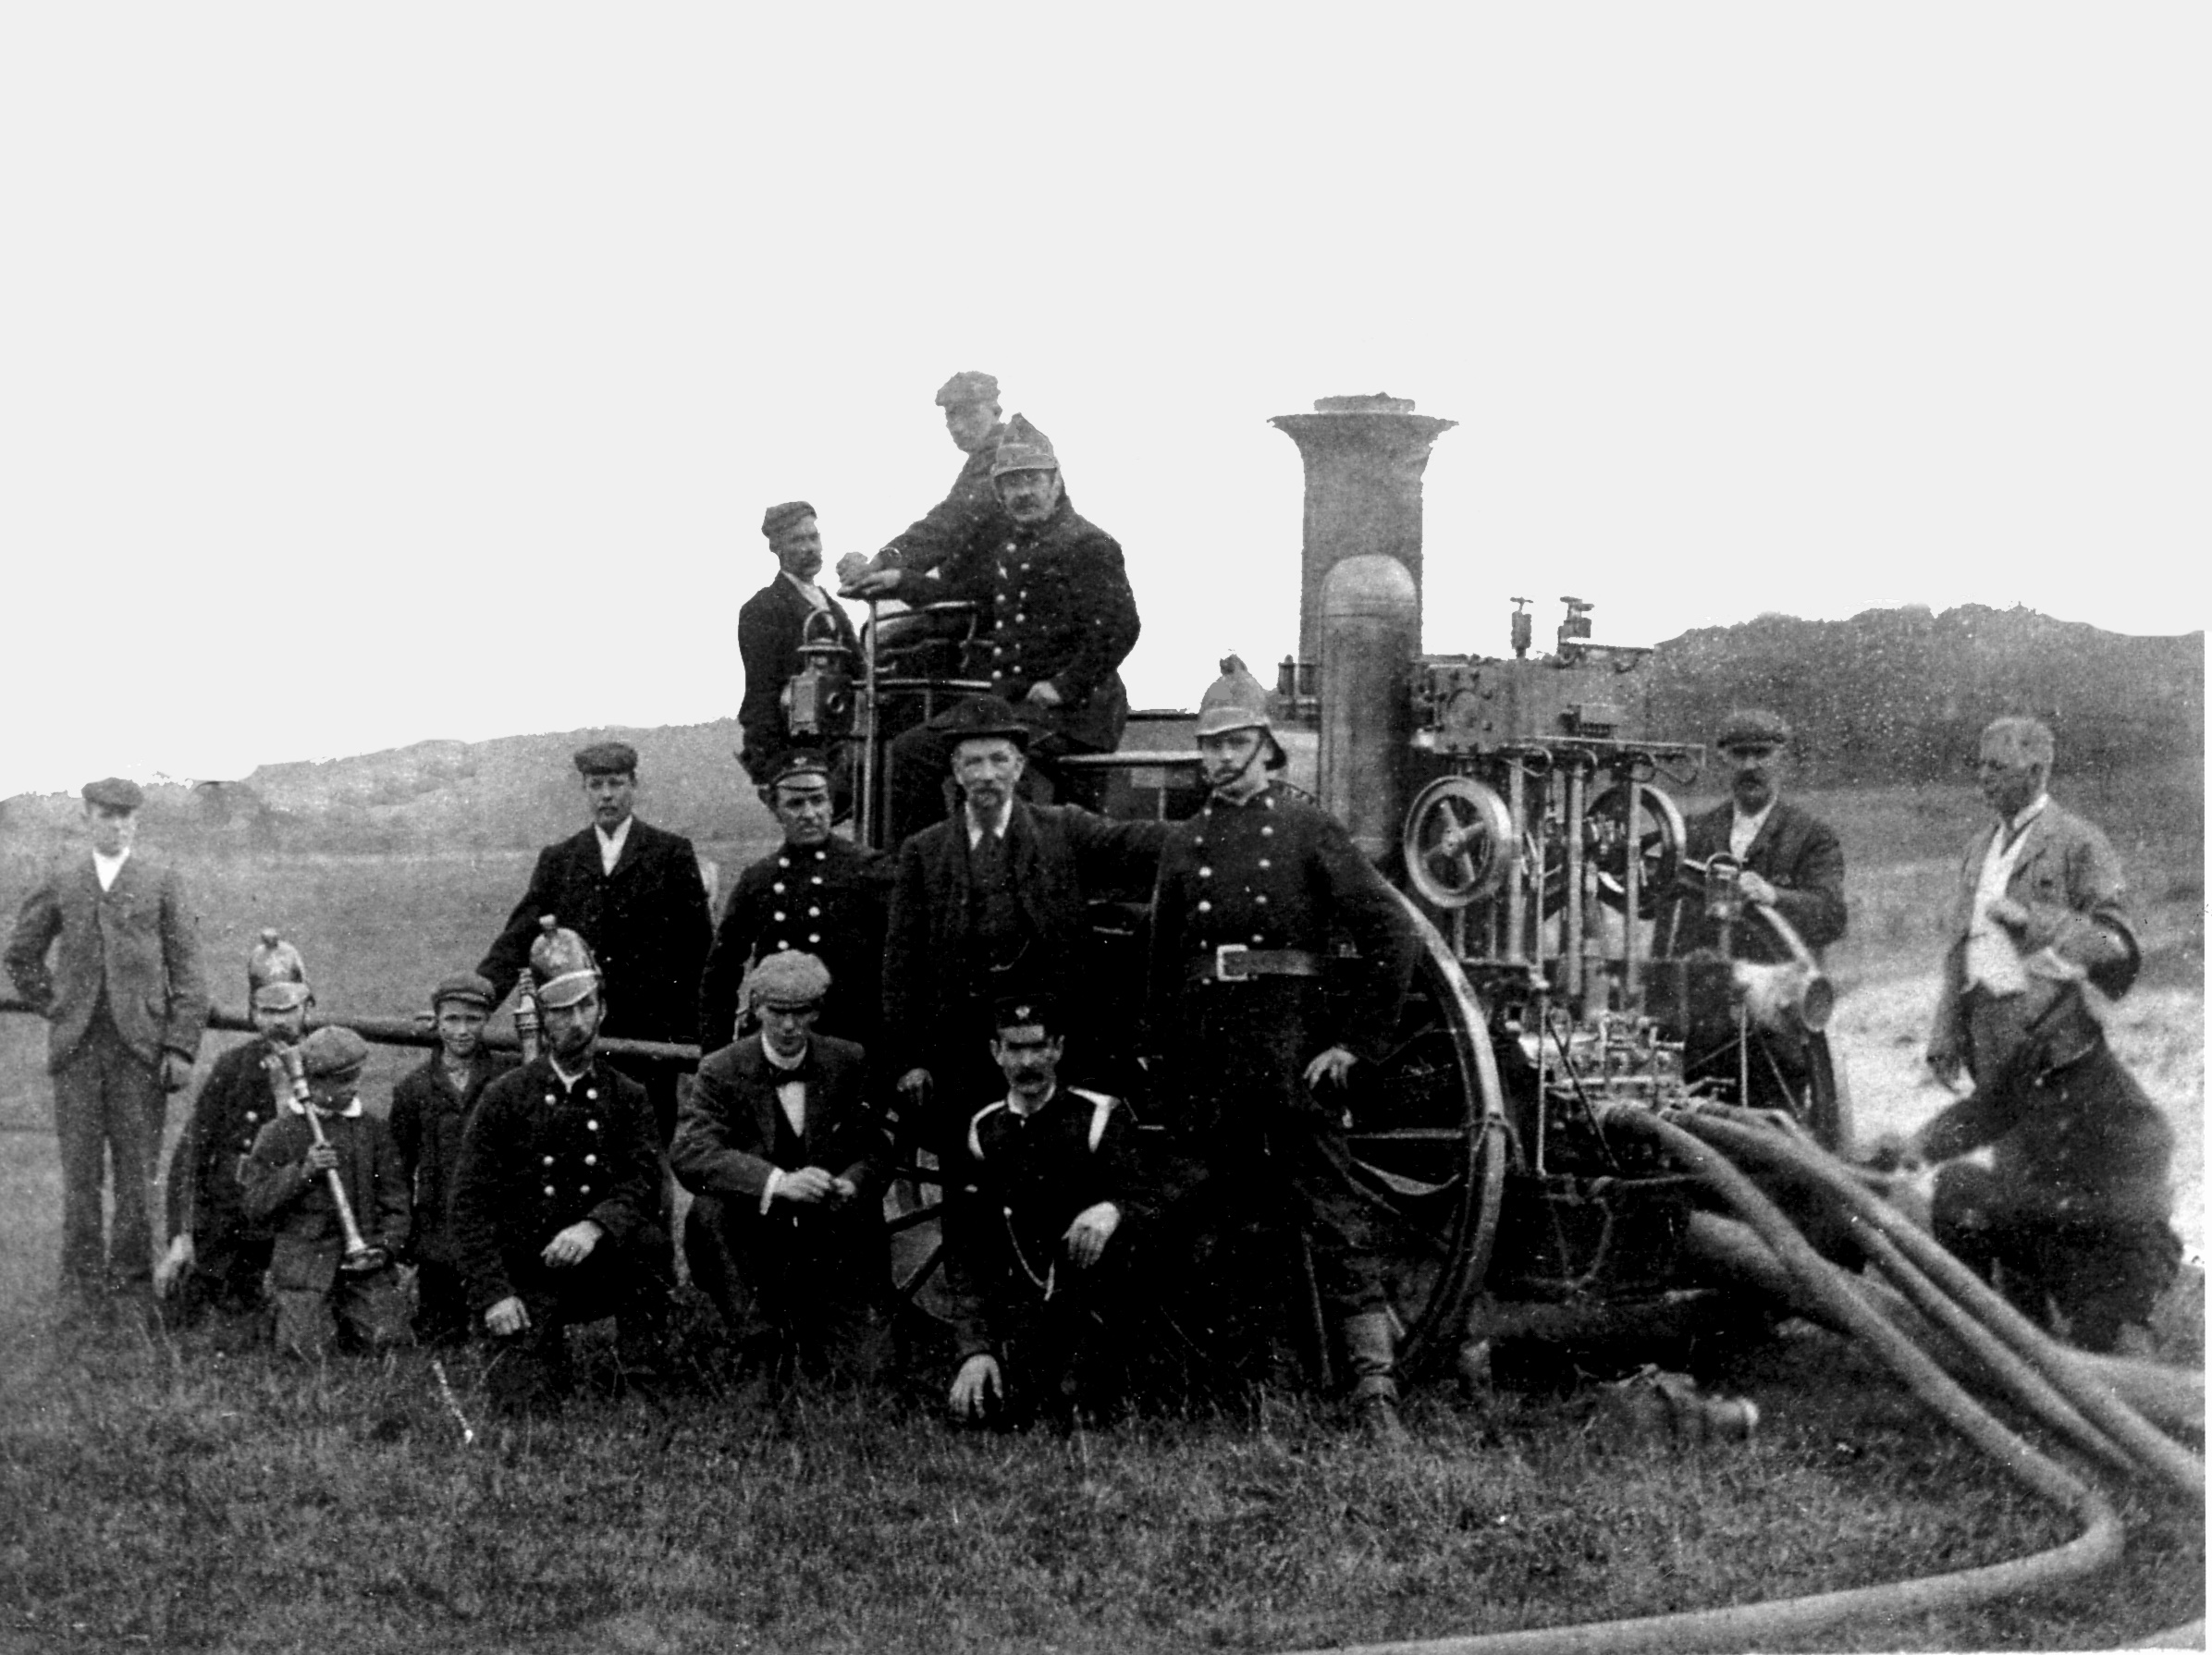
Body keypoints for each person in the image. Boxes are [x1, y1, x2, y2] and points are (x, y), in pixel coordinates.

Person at [1144, 668, 1418, 1440]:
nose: (1223, 759)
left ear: (1267, 749)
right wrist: (1169, 1065)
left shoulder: (1307, 831)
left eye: (1236, 744)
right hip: (1213, 1061)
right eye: (1211, 747)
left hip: (1292, 1055)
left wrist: (1354, 1044)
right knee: (1232, 1225)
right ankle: (1259, 1387)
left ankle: (1375, 1394)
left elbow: (1390, 932)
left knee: (1336, 1222)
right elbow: (1162, 969)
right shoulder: (1185, 842)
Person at [1883, 716, 2181, 1354]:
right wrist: (1946, 1024)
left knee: (2050, 1166)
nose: (1980, 776)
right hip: (1989, 1023)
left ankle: (2088, 1321)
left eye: (1994, 765)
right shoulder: (1977, 846)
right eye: (1978, 764)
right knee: (2002, 1158)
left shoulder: (2078, 842)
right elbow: (1959, 946)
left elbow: (2113, 942)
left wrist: (2035, 922)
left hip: (2046, 1016)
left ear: (2037, 770)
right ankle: (2015, 1329)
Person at [882, 696, 1168, 1150]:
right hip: (965, 1046)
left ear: (1019, 767)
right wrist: (908, 1060)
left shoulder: (1062, 829)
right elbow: (901, 963)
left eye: (999, 760)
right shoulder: (926, 850)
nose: (987, 774)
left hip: (1053, 1042)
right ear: (956, 772)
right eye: (973, 762)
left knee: (1062, 1168)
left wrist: (1217, 829)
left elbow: (1139, 840)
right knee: (970, 1173)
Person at [854, 417, 1140, 844]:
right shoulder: (1014, 547)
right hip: (1016, 707)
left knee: (1007, 785)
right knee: (910, 752)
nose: (1022, 492)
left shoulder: (1087, 543)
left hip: (1075, 715)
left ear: (1056, 481)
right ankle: (926, 868)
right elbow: (971, 597)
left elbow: (1121, 626)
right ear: (999, 492)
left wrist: (1064, 686)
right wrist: (900, 580)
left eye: (1031, 479)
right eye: (1010, 483)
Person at [6, 777, 209, 1330]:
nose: (116, 825)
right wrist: (59, 1005)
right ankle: (79, 1287)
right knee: (80, 1176)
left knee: (137, 1175)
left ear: (136, 822)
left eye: (125, 817)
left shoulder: (161, 881)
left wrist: (179, 1045)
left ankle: (132, 1287)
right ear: (87, 818)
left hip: (140, 1052)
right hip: (77, 1050)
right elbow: (21, 955)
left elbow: (189, 971)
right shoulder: (63, 880)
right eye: (105, 815)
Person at [451, 926, 671, 1411]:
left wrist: (594, 1226)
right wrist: (494, 1295)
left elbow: (643, 1182)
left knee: (649, 1245)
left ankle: (644, 1377)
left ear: (603, 1008)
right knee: (527, 1410)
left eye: (586, 1006)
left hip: (601, 1262)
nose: (576, 1021)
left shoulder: (628, 1097)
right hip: (528, 1270)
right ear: (539, 1019)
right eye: (561, 1010)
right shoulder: (504, 1098)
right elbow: (469, 1205)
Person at [477, 741, 712, 1146]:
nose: (606, 794)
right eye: (595, 784)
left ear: (633, 785)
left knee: (644, 1148)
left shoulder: (670, 854)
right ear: (584, 789)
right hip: (576, 1032)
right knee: (578, 1143)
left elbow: (698, 952)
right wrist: (474, 1001)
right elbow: (517, 939)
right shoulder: (561, 859)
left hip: (649, 1040)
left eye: (616, 783)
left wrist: (694, 1037)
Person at [672, 950, 891, 1385]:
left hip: (825, 1241)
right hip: (753, 1242)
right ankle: (756, 1339)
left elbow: (876, 1148)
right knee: (708, 1212)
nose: (789, 1027)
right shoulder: (721, 1069)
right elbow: (691, 1152)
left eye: (800, 1013)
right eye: (776, 1012)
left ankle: (813, 1325)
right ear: (755, 1009)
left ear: (816, 1012)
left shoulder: (847, 1061)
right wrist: (777, 1182)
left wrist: (851, 1183)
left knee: (864, 1374)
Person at [943, 994, 1152, 1426]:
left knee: (1078, 1407)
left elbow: (1150, 1197)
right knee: (983, 1412)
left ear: (1058, 1048)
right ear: (995, 1053)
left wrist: (1113, 1209)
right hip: (1022, 1310)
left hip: (1093, 1310)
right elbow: (968, 1252)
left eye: (1039, 1047)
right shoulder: (984, 1132)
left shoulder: (1097, 1118)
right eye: (1015, 1049)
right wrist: (975, 1350)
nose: (1028, 1063)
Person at [1664, 709, 1849, 1126]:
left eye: (1761, 754)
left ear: (1783, 759)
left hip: (1775, 1027)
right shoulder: (1695, 831)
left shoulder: (1810, 836)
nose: (1750, 766)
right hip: (1701, 1025)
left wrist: (1774, 896)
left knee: (1770, 1135)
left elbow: (1832, 915)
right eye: (1739, 754)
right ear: (1724, 760)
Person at [159, 930, 312, 1330]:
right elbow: (191, 1154)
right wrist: (181, 1234)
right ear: (252, 1014)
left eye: (289, 1009)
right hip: (233, 1219)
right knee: (190, 1308)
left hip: (298, 1217)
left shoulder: (326, 1063)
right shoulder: (233, 1067)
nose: (279, 1022)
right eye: (267, 1011)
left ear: (308, 1007)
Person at [697, 749, 891, 1056]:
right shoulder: (758, 879)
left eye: (818, 800)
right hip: (778, 1041)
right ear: (775, 809)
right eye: (795, 804)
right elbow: (721, 971)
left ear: (831, 804)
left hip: (851, 1041)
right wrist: (717, 1052)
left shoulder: (869, 870)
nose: (810, 813)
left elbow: (899, 967)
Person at [240, 1026, 412, 1360]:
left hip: (364, 1265)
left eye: (355, 1077)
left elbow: (396, 1203)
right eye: (343, 1081)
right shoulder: (279, 1132)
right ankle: (288, 1309)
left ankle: (344, 1315)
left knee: (387, 1341)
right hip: (305, 1267)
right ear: (314, 1084)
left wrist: (386, 1248)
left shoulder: (372, 1130)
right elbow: (253, 1205)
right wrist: (302, 1172)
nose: (354, 1088)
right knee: (306, 1352)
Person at [389, 972, 512, 1348]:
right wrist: (406, 1229)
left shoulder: (507, 1079)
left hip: (495, 1228)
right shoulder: (414, 1088)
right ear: (436, 1021)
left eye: (472, 1020)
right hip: (436, 1229)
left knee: (500, 1331)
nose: (462, 1031)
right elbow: (399, 1164)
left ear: (487, 1021)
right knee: (441, 1336)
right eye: (452, 1020)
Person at [738, 501, 862, 790]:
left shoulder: (831, 605)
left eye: (814, 538)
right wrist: (770, 760)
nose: (810, 548)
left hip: (838, 743)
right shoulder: (762, 608)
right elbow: (762, 691)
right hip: (795, 748)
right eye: (798, 540)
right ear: (777, 548)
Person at [850, 370, 1011, 582]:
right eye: (951, 415)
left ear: (995, 411)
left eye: (969, 412)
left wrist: (883, 561)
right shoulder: (988, 455)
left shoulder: (1004, 454)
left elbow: (953, 519)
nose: (958, 426)